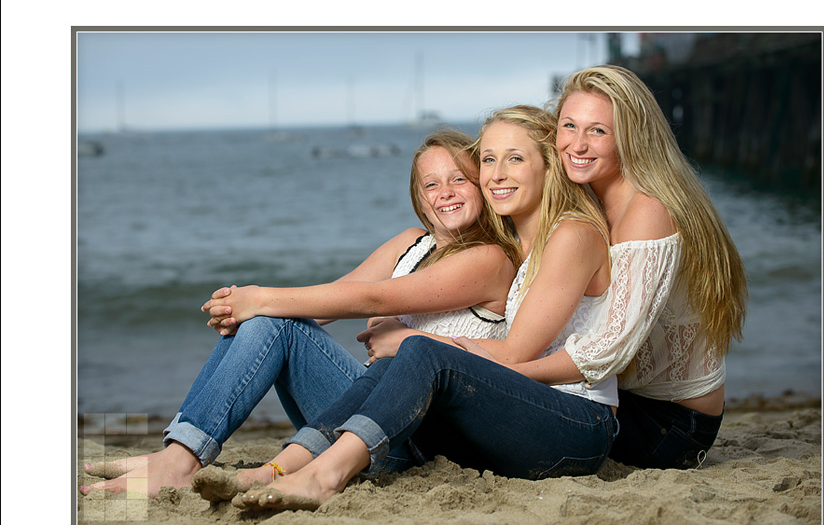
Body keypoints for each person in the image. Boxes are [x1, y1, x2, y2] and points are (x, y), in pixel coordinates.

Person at [80, 130, 518, 498]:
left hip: (414, 436)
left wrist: (261, 300)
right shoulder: (411, 243)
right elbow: (335, 298)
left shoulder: (488, 258)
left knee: (271, 316)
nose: (445, 193)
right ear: (419, 199)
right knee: (268, 322)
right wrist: (242, 310)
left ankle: (180, 458)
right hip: (356, 412)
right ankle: (178, 452)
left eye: (459, 179)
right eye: (430, 184)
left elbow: (376, 301)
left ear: (481, 185)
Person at [231, 105, 619, 512]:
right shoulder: (524, 246)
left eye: (515, 158)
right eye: (488, 160)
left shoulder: (571, 234)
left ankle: (326, 475)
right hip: (522, 412)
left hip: (576, 424)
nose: (497, 174)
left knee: (415, 352)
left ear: (548, 166)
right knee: (395, 361)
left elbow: (515, 354)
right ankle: (284, 466)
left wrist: (408, 337)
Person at [536, 64, 748, 469]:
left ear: (630, 137)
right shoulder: (594, 199)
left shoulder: (647, 210)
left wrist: (507, 370)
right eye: (569, 126)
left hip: (669, 426)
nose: (577, 145)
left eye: (597, 130)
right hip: (628, 400)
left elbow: (610, 350)